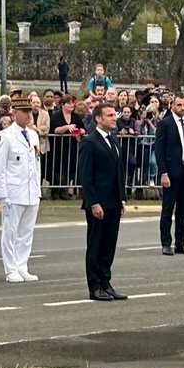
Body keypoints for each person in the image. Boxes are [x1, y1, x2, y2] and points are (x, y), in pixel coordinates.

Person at [80, 102, 126, 301]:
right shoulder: (90, 142)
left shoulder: (113, 140)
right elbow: (86, 176)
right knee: (96, 245)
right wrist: (93, 202)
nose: (114, 118)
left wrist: (122, 198)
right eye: (109, 115)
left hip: (113, 202)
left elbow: (118, 172)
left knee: (109, 246)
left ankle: (106, 282)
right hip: (98, 203)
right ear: (98, 118)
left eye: (114, 115)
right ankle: (95, 286)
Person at [0, 96, 42, 283]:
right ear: (14, 113)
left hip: (30, 190)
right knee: (10, 232)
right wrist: (2, 195)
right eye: (24, 112)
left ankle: (22, 265)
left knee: (26, 232)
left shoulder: (33, 135)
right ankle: (11, 269)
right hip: (13, 191)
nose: (28, 115)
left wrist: (37, 190)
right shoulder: (5, 136)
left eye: (30, 111)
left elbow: (36, 164)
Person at [155, 94, 184, 255]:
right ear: (173, 106)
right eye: (179, 105)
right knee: (168, 209)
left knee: (183, 210)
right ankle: (166, 243)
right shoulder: (165, 124)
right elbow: (159, 149)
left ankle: (181, 243)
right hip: (171, 171)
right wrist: (163, 173)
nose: (182, 108)